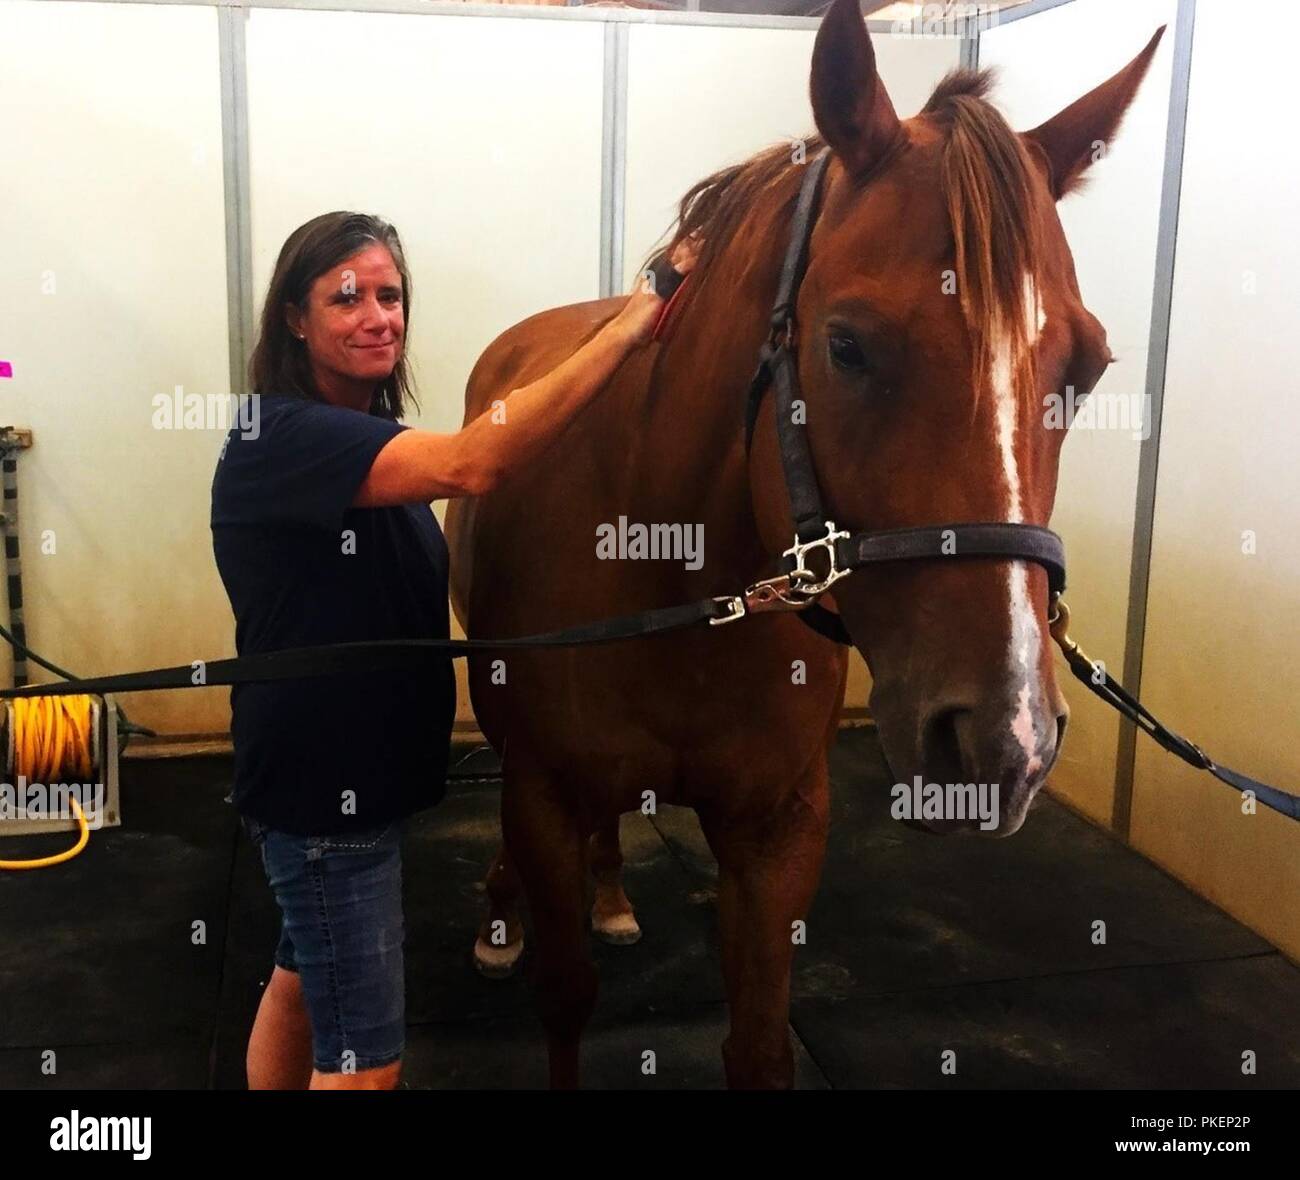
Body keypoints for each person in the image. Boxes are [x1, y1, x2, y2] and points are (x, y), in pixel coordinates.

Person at [210, 211, 697, 1090]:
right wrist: (637, 317)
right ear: (294, 318)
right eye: (345, 297)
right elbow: (480, 461)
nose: (377, 316)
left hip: (346, 787)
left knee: (299, 982)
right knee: (365, 1064)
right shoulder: (279, 438)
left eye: (390, 296)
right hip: (328, 800)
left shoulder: (367, 441)